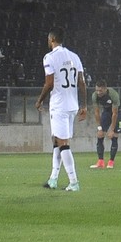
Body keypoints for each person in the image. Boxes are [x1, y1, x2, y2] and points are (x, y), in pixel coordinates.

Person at [35, 28, 86, 191]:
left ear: (51, 39)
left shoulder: (49, 57)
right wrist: (84, 105)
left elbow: (49, 83)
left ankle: (74, 182)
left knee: (63, 143)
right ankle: (53, 179)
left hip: (59, 106)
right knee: (57, 141)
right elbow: (82, 82)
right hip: (72, 105)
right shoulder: (74, 56)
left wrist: (39, 100)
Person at [89, 80, 121, 169]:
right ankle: (100, 161)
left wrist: (111, 129)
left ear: (105, 89)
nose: (98, 92)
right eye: (97, 90)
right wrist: (99, 128)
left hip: (117, 112)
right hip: (106, 112)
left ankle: (111, 161)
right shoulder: (94, 96)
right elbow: (96, 112)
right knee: (100, 135)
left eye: (100, 91)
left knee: (114, 135)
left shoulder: (113, 95)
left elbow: (115, 114)